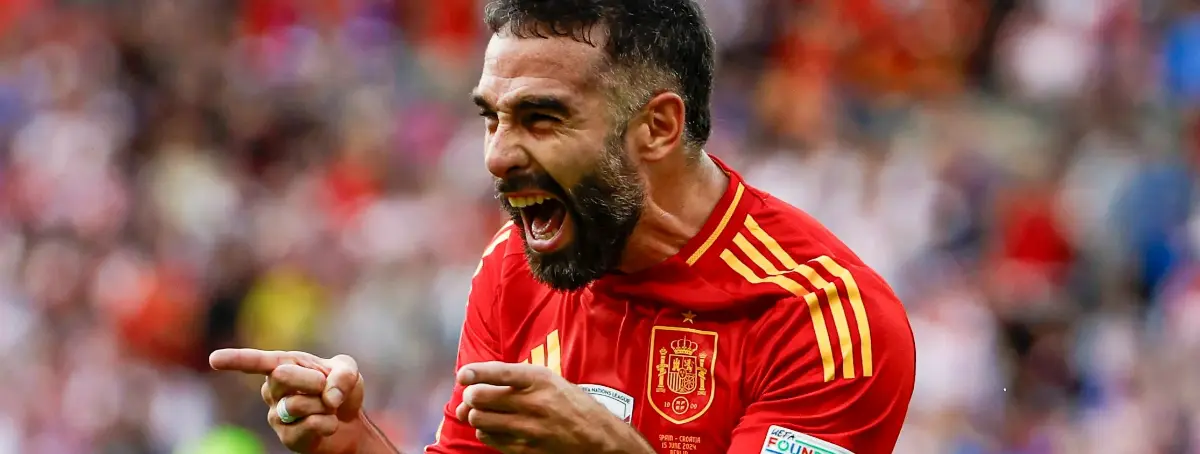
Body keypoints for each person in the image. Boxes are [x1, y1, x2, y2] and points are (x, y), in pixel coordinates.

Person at [209, 0, 917, 452]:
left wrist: (609, 449)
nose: (497, 156)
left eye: (541, 118)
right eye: (492, 117)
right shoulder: (515, 266)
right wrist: (355, 444)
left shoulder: (823, 321)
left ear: (658, 126)